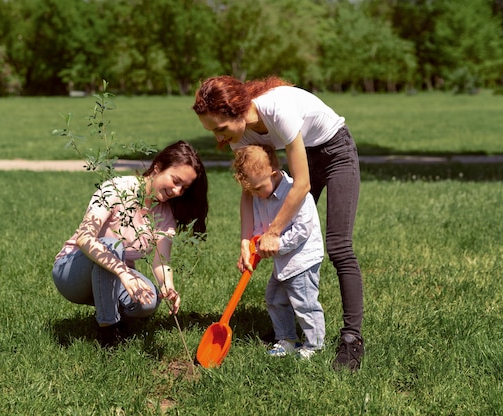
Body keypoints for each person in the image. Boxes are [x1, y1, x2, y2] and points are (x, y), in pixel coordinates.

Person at [193, 75, 364, 371]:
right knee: (289, 240)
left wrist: (272, 232)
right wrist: (246, 240)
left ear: (239, 112)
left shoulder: (277, 111)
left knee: (339, 246)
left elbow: (302, 184)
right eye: (212, 132)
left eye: (220, 129)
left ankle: (351, 338)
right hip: (305, 154)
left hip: (335, 153)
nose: (219, 139)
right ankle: (288, 326)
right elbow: (249, 191)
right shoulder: (241, 134)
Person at [52, 140, 208, 347]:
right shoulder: (116, 188)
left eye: (184, 188)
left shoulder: (165, 212)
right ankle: (108, 331)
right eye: (175, 180)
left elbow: (161, 260)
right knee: (110, 245)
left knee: (150, 301)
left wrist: (167, 285)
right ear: (157, 167)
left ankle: (110, 312)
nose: (178, 191)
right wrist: (124, 273)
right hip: (71, 273)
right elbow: (84, 237)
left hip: (112, 277)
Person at [232, 144, 325, 359]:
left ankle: (314, 345)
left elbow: (303, 229)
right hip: (282, 262)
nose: (254, 195)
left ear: (273, 175)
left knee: (304, 304)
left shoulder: (296, 193)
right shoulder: (260, 196)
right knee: (274, 298)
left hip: (302, 260)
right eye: (250, 191)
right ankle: (288, 339)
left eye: (257, 188)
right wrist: (253, 248)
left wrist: (278, 244)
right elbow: (259, 227)